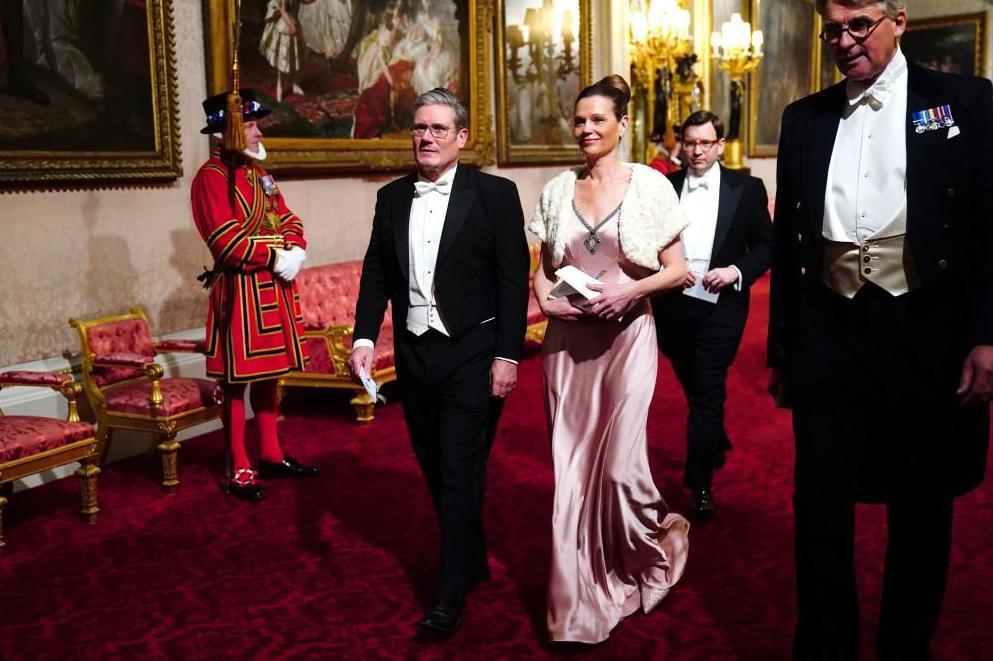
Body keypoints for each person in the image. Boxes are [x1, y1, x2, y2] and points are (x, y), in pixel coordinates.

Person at [767, 1, 993, 658]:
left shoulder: (961, 102)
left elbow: (986, 225)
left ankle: (904, 646)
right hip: (826, 330)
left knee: (920, 509)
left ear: (896, 18)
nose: (843, 40)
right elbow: (787, 243)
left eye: (857, 23)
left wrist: (986, 335)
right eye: (831, 29)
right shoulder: (803, 117)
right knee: (818, 505)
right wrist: (783, 347)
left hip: (924, 328)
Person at [348, 88, 530, 635]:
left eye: (438, 129)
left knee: (456, 468)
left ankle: (447, 596)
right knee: (434, 464)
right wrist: (362, 337)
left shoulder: (496, 195)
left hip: (473, 351)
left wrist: (507, 355)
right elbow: (376, 271)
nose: (426, 137)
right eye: (419, 128)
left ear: (461, 137)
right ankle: (470, 556)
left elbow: (510, 280)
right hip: (413, 352)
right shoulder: (391, 197)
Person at [530, 74, 690, 644]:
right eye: (580, 120)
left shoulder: (650, 186)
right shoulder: (554, 190)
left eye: (598, 119)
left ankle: (653, 544)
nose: (587, 129)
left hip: (628, 341)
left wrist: (631, 292)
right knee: (571, 471)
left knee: (620, 469)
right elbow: (543, 269)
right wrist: (546, 301)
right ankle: (575, 605)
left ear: (623, 124)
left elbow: (678, 268)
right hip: (569, 348)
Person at [191, 89, 320, 502]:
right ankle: (239, 466)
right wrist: (273, 254)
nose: (257, 131)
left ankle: (270, 453)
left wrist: (295, 249)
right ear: (227, 130)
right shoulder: (210, 178)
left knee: (270, 376)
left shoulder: (258, 174)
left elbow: (286, 215)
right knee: (235, 383)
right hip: (241, 293)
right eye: (249, 124)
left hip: (274, 290)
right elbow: (225, 243)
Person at [651, 110, 773, 519]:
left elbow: (765, 246)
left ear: (720, 145)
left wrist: (736, 271)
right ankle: (713, 435)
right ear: (681, 145)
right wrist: (666, 271)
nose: (697, 151)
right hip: (673, 306)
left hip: (722, 307)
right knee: (696, 386)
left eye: (706, 143)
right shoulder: (665, 187)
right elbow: (647, 243)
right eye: (690, 143)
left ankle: (699, 484)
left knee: (707, 390)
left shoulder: (747, 188)